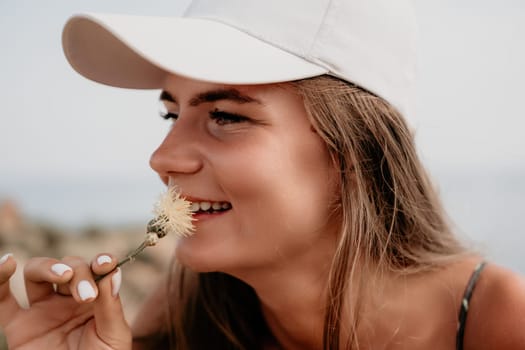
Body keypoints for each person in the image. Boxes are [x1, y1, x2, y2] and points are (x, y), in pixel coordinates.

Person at [1, 0, 525, 349]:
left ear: (356, 153)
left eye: (226, 115)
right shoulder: (183, 315)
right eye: (170, 113)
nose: (162, 158)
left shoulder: (500, 323)